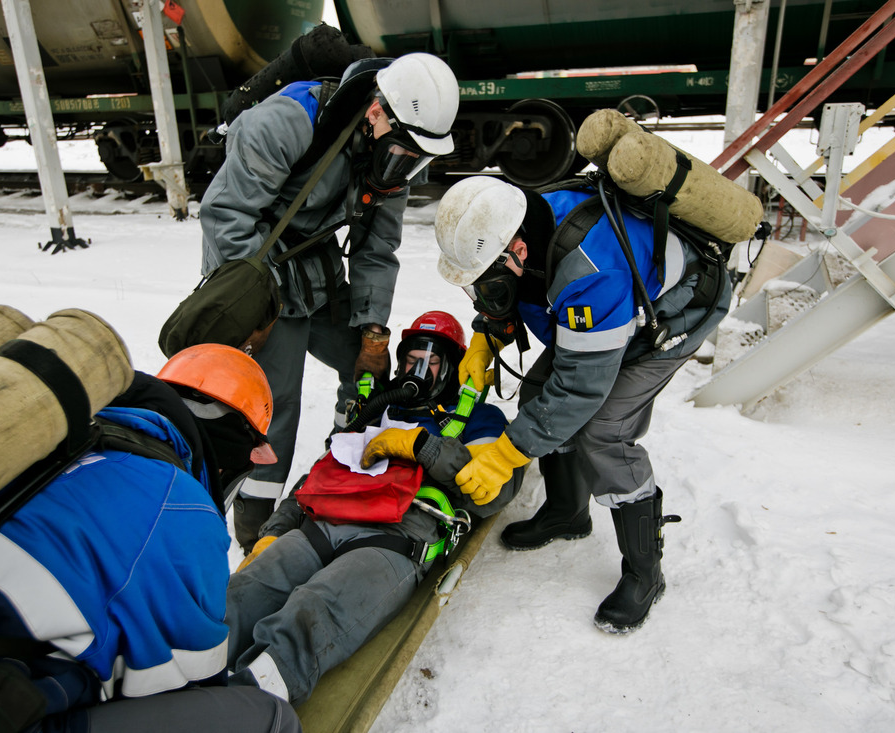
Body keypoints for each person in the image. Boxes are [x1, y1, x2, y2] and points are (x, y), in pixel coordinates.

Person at [0, 344, 300, 732]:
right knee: (270, 717)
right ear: (228, 459)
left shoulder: (59, 442)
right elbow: (188, 683)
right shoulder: (182, 509)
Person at [432, 175, 733, 633]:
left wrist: (506, 455)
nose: (482, 294)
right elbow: (523, 295)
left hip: (675, 315)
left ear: (518, 251)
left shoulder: (591, 269)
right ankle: (568, 513)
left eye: (484, 283)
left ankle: (644, 575)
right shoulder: (523, 224)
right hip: (611, 312)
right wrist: (485, 335)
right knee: (538, 397)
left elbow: (578, 391)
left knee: (603, 431)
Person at [198, 52, 461, 553]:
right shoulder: (286, 124)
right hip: (256, 269)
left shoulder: (392, 160)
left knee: (365, 374)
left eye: (420, 157)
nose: (408, 165)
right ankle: (255, 532)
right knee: (276, 404)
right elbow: (226, 216)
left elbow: (377, 248)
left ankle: (343, 460)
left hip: (314, 268)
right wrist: (255, 312)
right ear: (377, 111)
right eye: (407, 150)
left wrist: (373, 332)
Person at [221, 312, 522, 705]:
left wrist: (423, 447)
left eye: (432, 361)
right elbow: (319, 473)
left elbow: (494, 493)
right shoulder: (377, 409)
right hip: (323, 524)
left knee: (311, 609)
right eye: (412, 358)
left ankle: (243, 706)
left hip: (394, 538)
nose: (419, 370)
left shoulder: (478, 418)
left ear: (453, 366)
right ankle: (176, 683)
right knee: (242, 593)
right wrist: (274, 533)